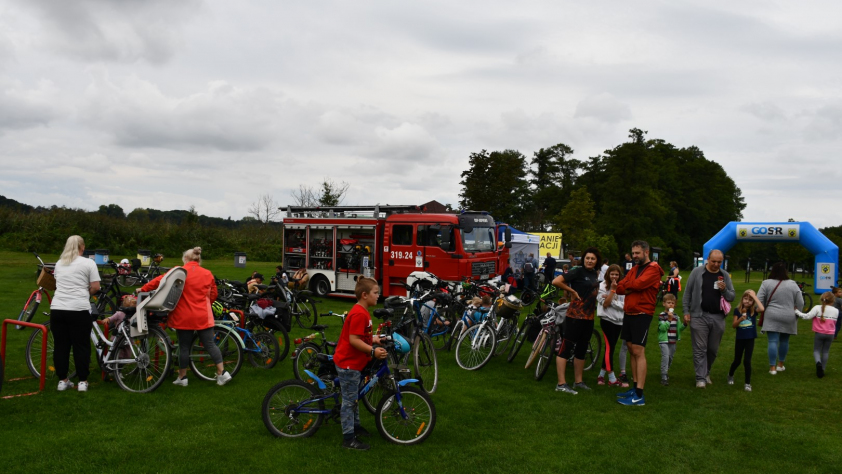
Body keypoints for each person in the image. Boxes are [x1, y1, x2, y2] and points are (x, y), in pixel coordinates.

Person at [139, 247, 233, 387]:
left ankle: (182, 377)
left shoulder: (179, 271)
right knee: (210, 344)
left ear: (185, 259)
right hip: (203, 315)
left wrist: (143, 289)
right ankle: (222, 372)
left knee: (184, 347)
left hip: (183, 316)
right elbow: (213, 294)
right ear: (198, 260)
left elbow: (160, 280)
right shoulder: (207, 273)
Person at [332, 277, 388, 450]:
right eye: (376, 293)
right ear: (365, 295)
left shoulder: (363, 311)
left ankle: (355, 427)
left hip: (355, 363)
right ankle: (348, 439)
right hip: (349, 364)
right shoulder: (358, 314)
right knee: (349, 401)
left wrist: (374, 339)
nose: (379, 296)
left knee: (355, 398)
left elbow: (361, 337)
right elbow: (354, 340)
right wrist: (372, 350)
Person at [615, 240, 663, 406]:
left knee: (638, 351)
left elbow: (639, 284)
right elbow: (620, 288)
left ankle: (639, 395)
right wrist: (630, 286)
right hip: (629, 312)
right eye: (633, 253)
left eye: (637, 253)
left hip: (642, 313)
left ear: (646, 252)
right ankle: (634, 389)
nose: (634, 256)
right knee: (630, 348)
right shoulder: (634, 269)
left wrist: (630, 286)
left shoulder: (654, 269)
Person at [50, 235, 101, 392]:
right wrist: (86, 292)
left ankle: (63, 380)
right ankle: (83, 381)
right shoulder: (88, 263)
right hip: (78, 309)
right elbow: (96, 286)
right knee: (81, 346)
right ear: (82, 247)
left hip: (57, 308)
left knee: (61, 346)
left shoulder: (59, 264)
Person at [681, 249, 736, 388]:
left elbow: (732, 297)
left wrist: (724, 290)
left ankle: (706, 372)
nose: (716, 264)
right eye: (713, 261)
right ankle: (700, 378)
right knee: (700, 348)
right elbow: (687, 293)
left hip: (718, 317)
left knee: (712, 349)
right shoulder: (697, 272)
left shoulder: (724, 275)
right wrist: (686, 311)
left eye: (719, 262)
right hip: (699, 315)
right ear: (708, 259)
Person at [552, 247, 602, 395]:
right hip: (575, 316)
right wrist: (572, 291)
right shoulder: (577, 270)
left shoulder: (594, 273)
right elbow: (556, 281)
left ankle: (578, 381)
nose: (590, 261)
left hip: (588, 317)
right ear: (583, 259)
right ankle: (561, 383)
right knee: (566, 347)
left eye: (593, 259)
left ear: (596, 261)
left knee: (581, 349)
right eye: (587, 258)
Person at [756, 262, 803, 375]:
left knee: (772, 341)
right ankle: (780, 365)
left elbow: (758, 299)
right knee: (784, 341)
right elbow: (800, 302)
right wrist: (797, 313)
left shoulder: (766, 283)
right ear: (785, 271)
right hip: (789, 315)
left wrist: (759, 309)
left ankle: (772, 368)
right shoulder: (793, 284)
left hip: (771, 314)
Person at [796, 292, 839, 378]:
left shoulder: (817, 308)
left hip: (819, 333)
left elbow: (807, 316)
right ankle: (822, 369)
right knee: (825, 351)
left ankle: (818, 363)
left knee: (816, 350)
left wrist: (797, 311)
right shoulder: (836, 310)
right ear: (833, 300)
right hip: (830, 334)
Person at [596, 264, 626, 387]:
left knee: (611, 348)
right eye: (612, 274)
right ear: (608, 274)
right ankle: (612, 378)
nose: (614, 276)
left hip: (619, 321)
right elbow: (605, 304)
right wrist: (612, 291)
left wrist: (611, 300)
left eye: (617, 274)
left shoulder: (623, 287)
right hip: (607, 320)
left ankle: (601, 375)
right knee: (609, 348)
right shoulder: (602, 285)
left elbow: (625, 305)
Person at [728, 290, 764, 391]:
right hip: (740, 339)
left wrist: (755, 297)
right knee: (737, 360)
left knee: (747, 361)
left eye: (750, 300)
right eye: (745, 298)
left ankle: (747, 383)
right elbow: (734, 325)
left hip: (750, 339)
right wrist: (741, 319)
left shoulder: (753, 311)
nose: (747, 301)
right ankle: (730, 374)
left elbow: (762, 308)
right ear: (742, 299)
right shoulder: (737, 310)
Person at [657, 294, 687, 386]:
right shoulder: (662, 315)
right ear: (664, 304)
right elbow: (662, 328)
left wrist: (685, 324)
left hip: (673, 340)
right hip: (664, 340)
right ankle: (664, 376)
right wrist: (669, 320)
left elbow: (679, 329)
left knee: (670, 358)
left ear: (675, 305)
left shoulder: (676, 317)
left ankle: (666, 371)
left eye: (672, 303)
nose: (670, 304)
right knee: (665, 357)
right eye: (668, 303)